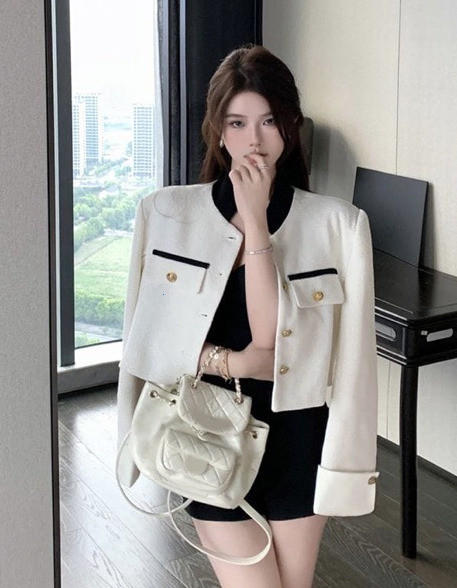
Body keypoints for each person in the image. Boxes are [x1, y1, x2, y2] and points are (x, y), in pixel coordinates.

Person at [117, 45, 379, 588]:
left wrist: (256, 222)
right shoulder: (165, 213)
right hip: (203, 432)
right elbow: (144, 344)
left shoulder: (339, 225)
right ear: (218, 130)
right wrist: (232, 362)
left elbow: (332, 359)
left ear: (290, 127)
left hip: (299, 440)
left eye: (268, 121)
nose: (254, 140)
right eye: (237, 123)